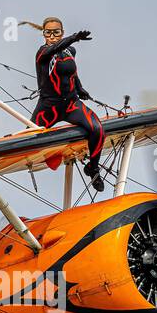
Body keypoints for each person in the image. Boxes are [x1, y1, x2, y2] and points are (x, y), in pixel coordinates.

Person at [25, 17, 107, 192]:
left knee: (98, 130)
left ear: (61, 32)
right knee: (25, 141)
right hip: (49, 109)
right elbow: (55, 48)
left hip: (71, 104)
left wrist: (80, 88)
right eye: (48, 32)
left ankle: (93, 168)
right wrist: (74, 37)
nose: (52, 36)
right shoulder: (42, 53)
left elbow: (72, 72)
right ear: (43, 34)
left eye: (56, 32)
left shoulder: (71, 51)